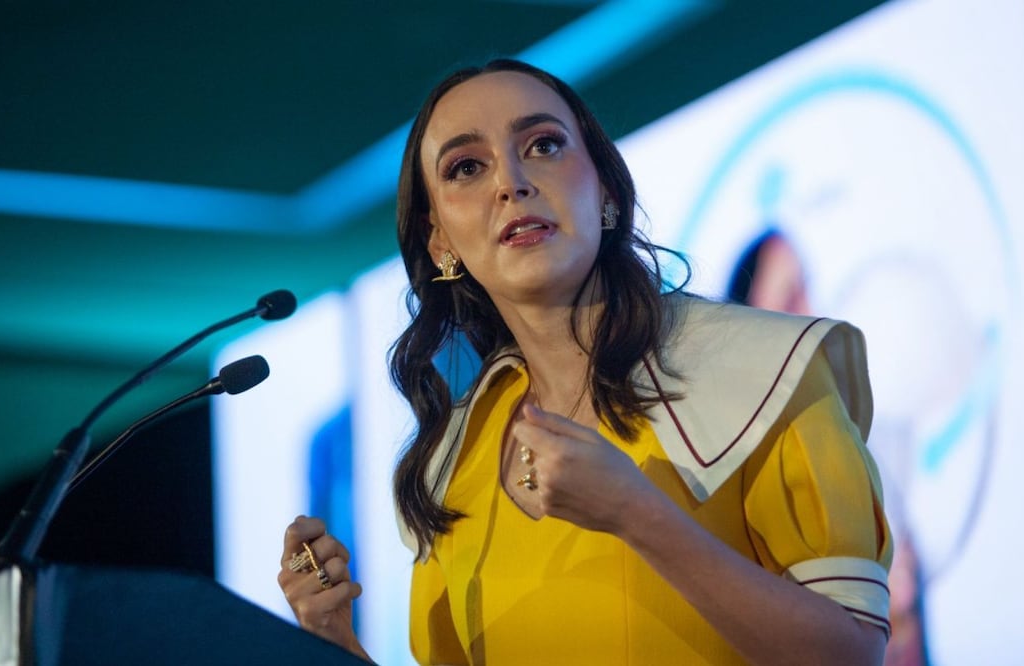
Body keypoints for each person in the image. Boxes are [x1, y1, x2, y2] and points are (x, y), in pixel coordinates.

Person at [278, 59, 892, 665]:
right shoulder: (449, 462)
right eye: (467, 167)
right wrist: (334, 644)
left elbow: (852, 654)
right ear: (440, 239)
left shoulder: (767, 368)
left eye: (543, 145)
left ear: (602, 188)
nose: (511, 183)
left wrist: (635, 513)